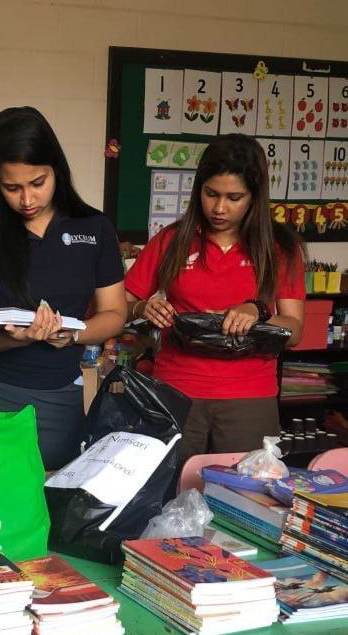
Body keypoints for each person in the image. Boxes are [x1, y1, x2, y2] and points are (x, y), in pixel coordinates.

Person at [0, 106, 128, 470]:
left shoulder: (94, 229)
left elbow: (114, 314)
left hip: (56, 394)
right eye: (11, 188)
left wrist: (73, 335)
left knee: (47, 504)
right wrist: (21, 337)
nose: (27, 200)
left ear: (57, 172)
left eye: (38, 183)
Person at [124, 133, 305, 462]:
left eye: (234, 197)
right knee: (169, 493)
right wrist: (141, 306)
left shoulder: (279, 248)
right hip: (177, 391)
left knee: (245, 498)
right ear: (199, 190)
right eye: (211, 194)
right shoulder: (173, 240)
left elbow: (294, 331)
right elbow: (116, 307)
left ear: (254, 196)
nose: (219, 208)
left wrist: (258, 312)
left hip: (249, 395)